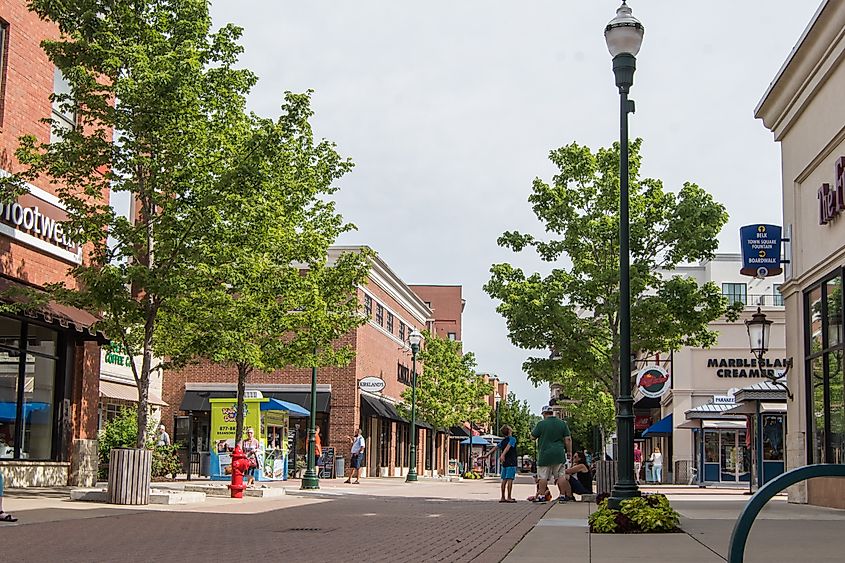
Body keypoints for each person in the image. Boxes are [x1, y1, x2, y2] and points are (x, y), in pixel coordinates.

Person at [531, 405, 573, 504]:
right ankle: (562, 495)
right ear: (552, 413)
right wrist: (569, 452)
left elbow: (532, 437)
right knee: (561, 476)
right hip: (559, 453)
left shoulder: (541, 424)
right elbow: (568, 439)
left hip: (545, 454)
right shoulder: (562, 424)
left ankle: (541, 496)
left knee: (543, 476)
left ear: (544, 414)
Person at [484, 425, 518, 503]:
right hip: (511, 461)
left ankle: (503, 497)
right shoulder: (512, 439)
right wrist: (503, 454)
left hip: (504, 462)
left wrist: (487, 454)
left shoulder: (503, 441)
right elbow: (508, 447)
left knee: (504, 480)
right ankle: (509, 497)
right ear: (509, 431)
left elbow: (495, 448)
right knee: (510, 479)